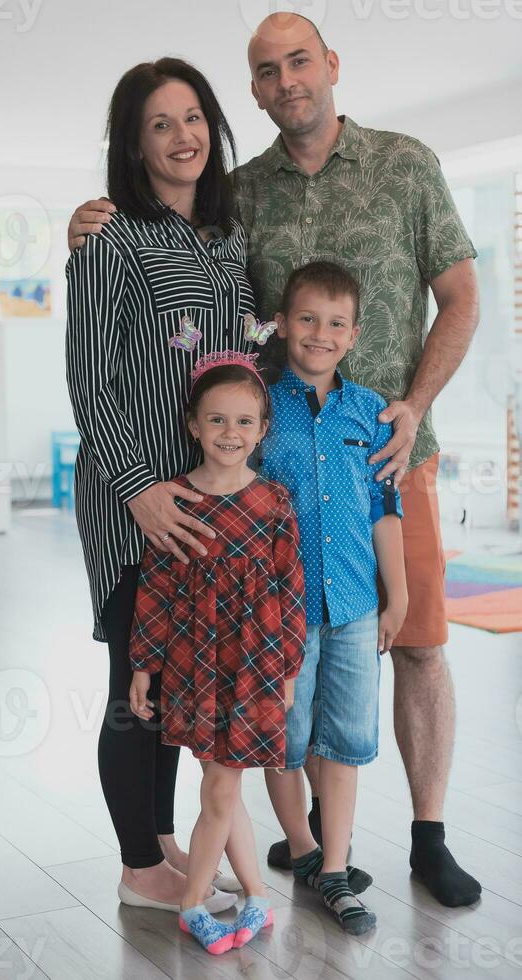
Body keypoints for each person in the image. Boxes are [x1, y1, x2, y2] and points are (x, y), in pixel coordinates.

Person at [66, 11, 482, 908]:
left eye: (300, 60)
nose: (286, 79)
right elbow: (97, 369)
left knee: (389, 650)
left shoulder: (366, 177)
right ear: (251, 93)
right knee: (178, 667)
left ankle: (413, 836)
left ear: (330, 65)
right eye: (266, 70)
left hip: (341, 463)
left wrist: (412, 405)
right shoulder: (181, 218)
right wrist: (139, 485)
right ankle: (197, 856)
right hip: (198, 484)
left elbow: (457, 298)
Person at [65, 57, 258, 914]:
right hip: (130, 494)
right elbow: (89, 379)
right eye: (159, 125)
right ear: (134, 147)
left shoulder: (228, 238)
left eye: (193, 119)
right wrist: (141, 487)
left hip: (206, 495)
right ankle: (138, 866)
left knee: (179, 680)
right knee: (132, 685)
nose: (182, 137)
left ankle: (168, 840)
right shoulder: (109, 238)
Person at [128, 353, 305, 953]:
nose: (231, 434)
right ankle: (225, 900)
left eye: (245, 422)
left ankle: (219, 901)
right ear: (194, 425)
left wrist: (287, 667)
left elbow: (291, 589)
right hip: (196, 665)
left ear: (262, 429)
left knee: (222, 790)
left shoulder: (273, 501)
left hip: (254, 663)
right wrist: (144, 665)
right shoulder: (173, 498)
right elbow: (155, 586)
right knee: (221, 790)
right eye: (218, 420)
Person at [257, 260, 406, 935]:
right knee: (285, 738)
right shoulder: (260, 405)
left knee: (344, 739)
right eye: (308, 319)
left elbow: (383, 507)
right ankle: (306, 850)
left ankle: (338, 871)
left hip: (352, 605)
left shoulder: (371, 412)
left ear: (353, 334)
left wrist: (395, 594)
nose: (320, 333)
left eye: (335, 323)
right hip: (278, 608)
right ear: (284, 323)